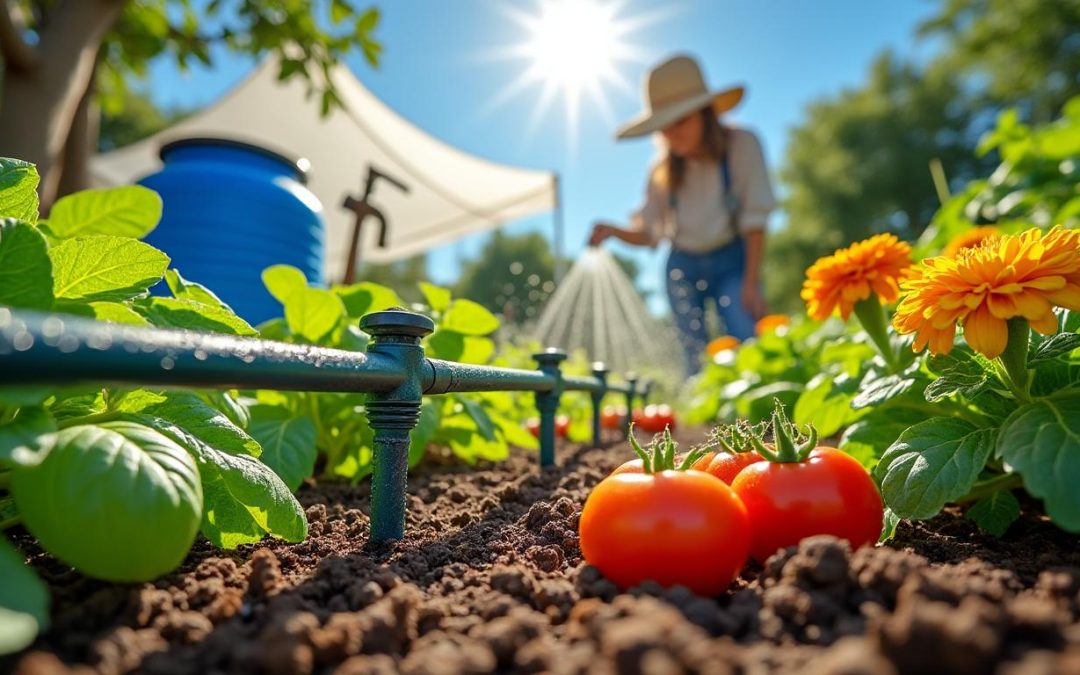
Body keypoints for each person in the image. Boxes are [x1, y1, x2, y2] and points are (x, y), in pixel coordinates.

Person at [589, 54, 776, 375]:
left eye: (681, 121)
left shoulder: (743, 145)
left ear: (705, 113)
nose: (672, 134)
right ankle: (708, 422)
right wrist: (614, 232)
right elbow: (649, 234)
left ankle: (762, 419)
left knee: (747, 336)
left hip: (733, 259)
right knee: (695, 355)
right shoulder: (661, 170)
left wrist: (750, 283)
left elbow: (755, 221)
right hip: (683, 266)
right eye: (664, 126)